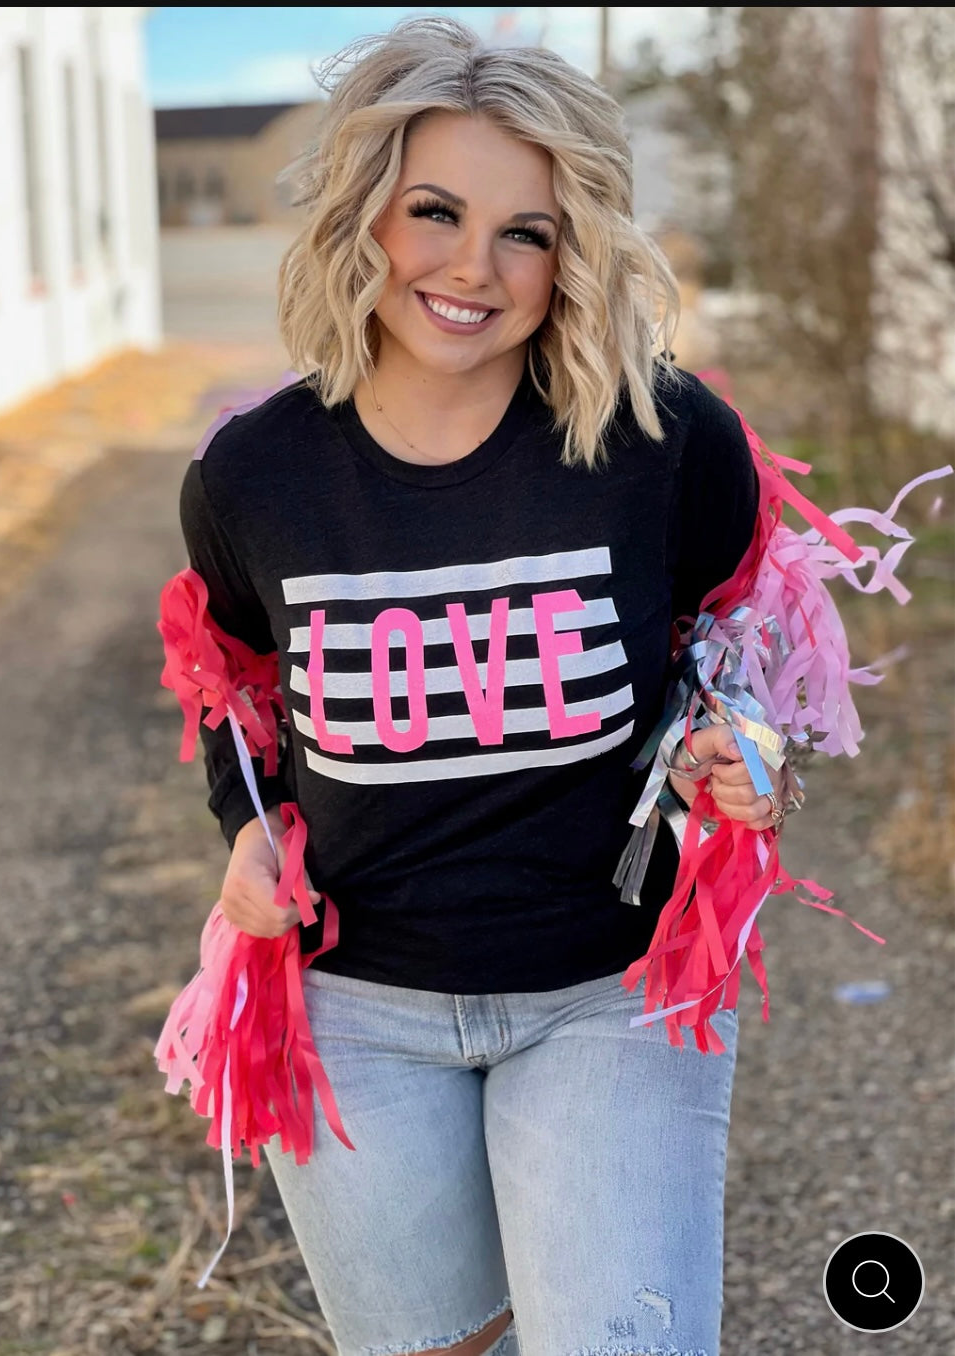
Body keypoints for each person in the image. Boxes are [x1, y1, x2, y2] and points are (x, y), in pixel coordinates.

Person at [173, 16, 790, 1356]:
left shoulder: (659, 438)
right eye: (433, 212)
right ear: (362, 219)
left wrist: (744, 749)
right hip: (356, 1012)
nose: (473, 268)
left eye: (528, 229)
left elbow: (740, 647)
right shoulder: (254, 479)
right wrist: (244, 835)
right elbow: (232, 684)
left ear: (575, 252)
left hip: (606, 996)